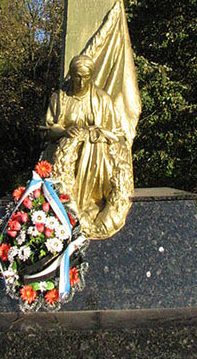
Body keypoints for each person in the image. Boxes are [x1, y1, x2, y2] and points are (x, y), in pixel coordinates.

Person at [43, 55, 133, 239]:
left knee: (95, 145)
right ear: (71, 74)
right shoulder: (60, 99)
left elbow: (116, 135)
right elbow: (46, 131)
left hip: (98, 160)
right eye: (77, 76)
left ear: (92, 75)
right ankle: (73, 203)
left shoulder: (102, 99)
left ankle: (97, 202)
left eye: (86, 76)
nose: (81, 81)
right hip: (64, 160)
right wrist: (64, 132)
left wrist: (97, 134)